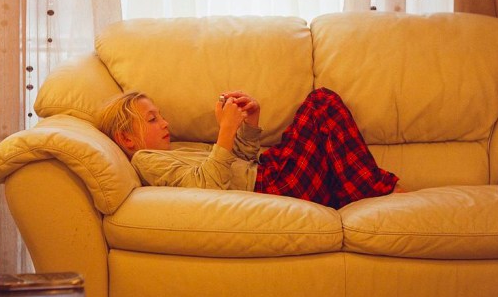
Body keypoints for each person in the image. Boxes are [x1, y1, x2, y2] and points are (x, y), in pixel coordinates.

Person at [97, 88, 400, 209]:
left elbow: (240, 160)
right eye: (152, 119)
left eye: (161, 115)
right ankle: (374, 189)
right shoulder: (147, 161)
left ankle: (353, 188)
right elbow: (209, 185)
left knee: (316, 116)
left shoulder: (176, 148)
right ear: (126, 139)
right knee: (322, 102)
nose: (164, 123)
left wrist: (249, 121)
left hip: (270, 169)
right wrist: (225, 131)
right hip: (273, 186)